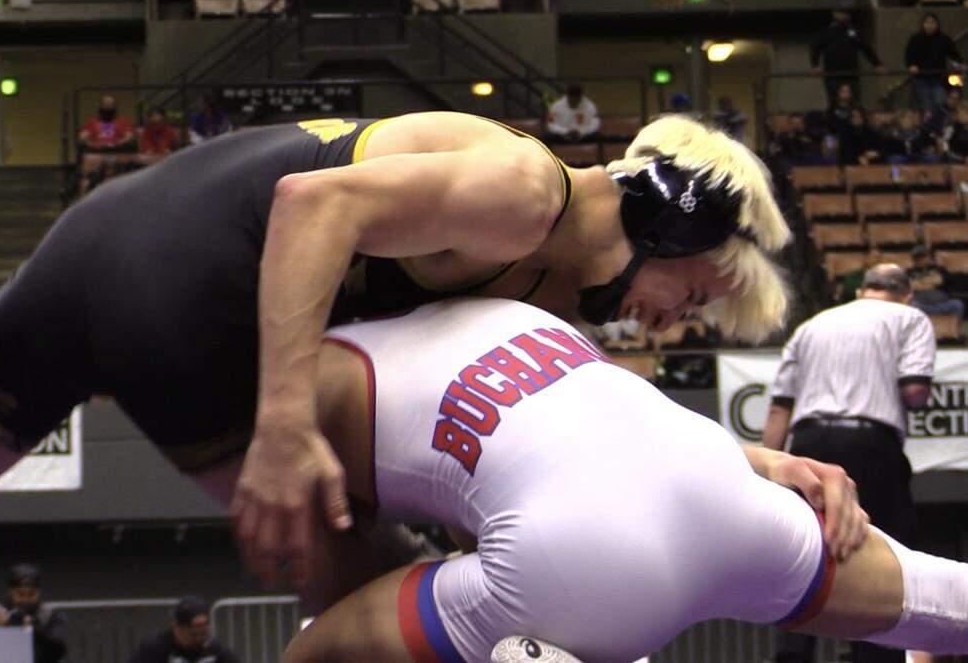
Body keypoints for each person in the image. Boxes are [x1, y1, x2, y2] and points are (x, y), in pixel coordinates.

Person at [0, 113, 792, 595]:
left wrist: (760, 463)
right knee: (371, 592)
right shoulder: (522, 191)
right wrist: (284, 424)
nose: (675, 324)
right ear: (667, 230)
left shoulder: (546, 288)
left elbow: (600, 430)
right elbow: (309, 204)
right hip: (186, 285)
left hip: (100, 244)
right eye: (697, 295)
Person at [270, 297, 967, 662]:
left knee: (316, 647)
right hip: (717, 482)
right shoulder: (517, 310)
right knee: (944, 599)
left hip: (568, 561)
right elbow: (616, 438)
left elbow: (328, 548)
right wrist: (774, 462)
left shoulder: (310, 377)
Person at [763, 264, 937, 663]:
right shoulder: (910, 318)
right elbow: (914, 389)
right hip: (869, 442)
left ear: (862, 292)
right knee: (882, 555)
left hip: (806, 443)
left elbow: (778, 411)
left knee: (804, 551)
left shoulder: (812, 325)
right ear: (906, 294)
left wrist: (767, 478)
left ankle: (791, 655)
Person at [0, 564, 67, 663]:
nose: (25, 599)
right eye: (20, 594)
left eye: (31, 594)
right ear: (11, 592)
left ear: (39, 592)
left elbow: (58, 650)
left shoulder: (51, 616)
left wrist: (34, 630)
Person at [127, 595, 239, 663]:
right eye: (196, 628)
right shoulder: (154, 649)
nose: (201, 634)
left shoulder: (214, 650)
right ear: (177, 627)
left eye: (205, 626)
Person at [811, 9, 886, 108]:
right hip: (833, 75)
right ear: (835, 14)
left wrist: (877, 64)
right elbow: (815, 49)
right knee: (835, 103)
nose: (844, 16)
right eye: (842, 13)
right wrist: (815, 65)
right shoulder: (826, 32)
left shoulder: (854, 32)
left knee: (854, 103)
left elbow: (866, 49)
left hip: (852, 74)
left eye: (847, 13)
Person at [905, 13, 963, 114]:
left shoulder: (944, 39)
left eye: (932, 23)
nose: (930, 25)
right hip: (921, 77)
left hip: (939, 78)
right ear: (923, 24)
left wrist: (959, 64)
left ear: (937, 24)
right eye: (927, 23)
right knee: (927, 104)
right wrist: (911, 66)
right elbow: (909, 56)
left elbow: (954, 54)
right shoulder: (915, 39)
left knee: (940, 101)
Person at [908, 246, 964, 320]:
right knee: (911, 306)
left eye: (923, 257)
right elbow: (913, 285)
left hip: (941, 304)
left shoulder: (939, 269)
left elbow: (939, 280)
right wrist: (931, 282)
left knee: (957, 305)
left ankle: (953, 330)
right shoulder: (909, 272)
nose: (921, 260)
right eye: (917, 258)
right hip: (921, 306)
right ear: (913, 260)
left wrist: (921, 283)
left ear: (928, 257)